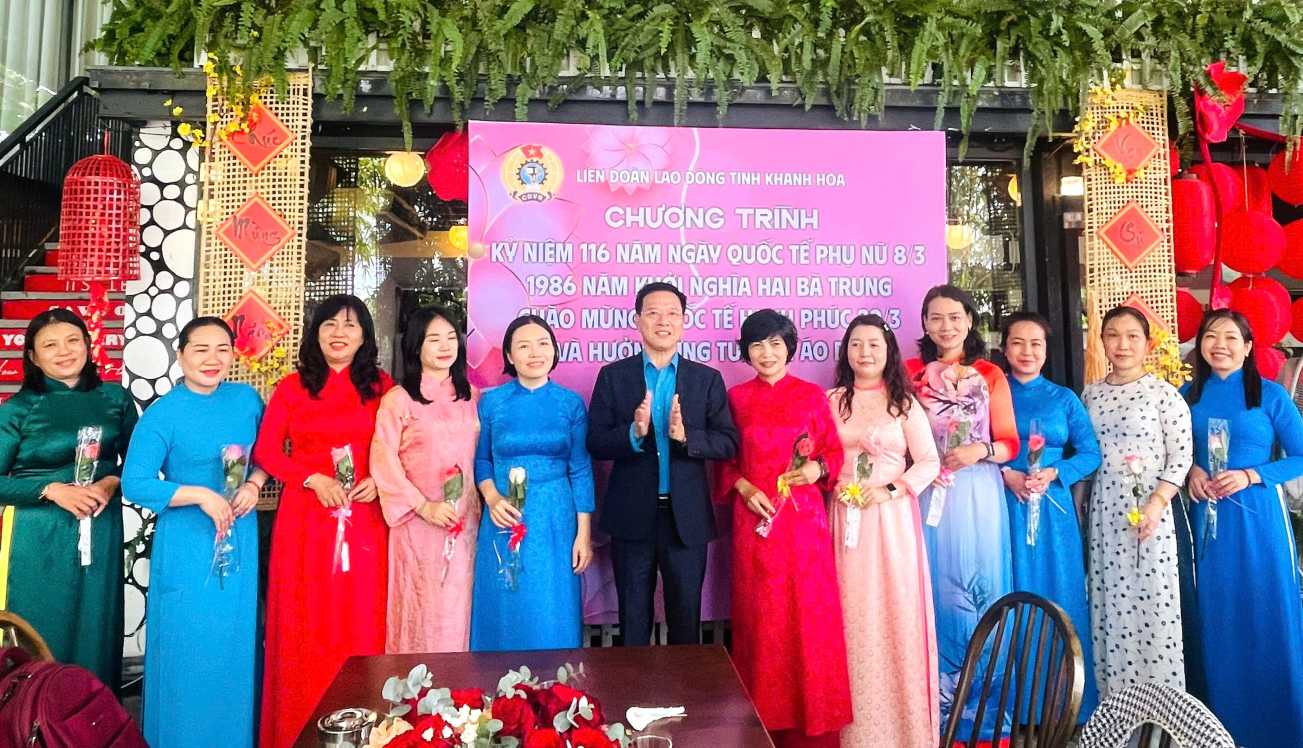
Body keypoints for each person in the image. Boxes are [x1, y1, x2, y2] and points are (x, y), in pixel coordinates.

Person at [122, 317, 267, 748]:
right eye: (200, 349)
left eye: (222, 349)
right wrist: (199, 495)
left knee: (234, 646)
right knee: (188, 650)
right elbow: (136, 482)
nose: (212, 359)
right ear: (181, 354)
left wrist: (255, 485)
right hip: (188, 544)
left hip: (239, 535)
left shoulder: (246, 400)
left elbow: (273, 452)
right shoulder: (163, 414)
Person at [256, 295, 394, 748]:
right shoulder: (293, 387)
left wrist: (378, 478)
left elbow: (398, 450)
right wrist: (311, 477)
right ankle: (299, 726)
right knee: (305, 622)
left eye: (351, 326)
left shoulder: (383, 388)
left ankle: (368, 725)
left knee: (362, 618)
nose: (339, 333)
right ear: (315, 332)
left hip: (365, 518)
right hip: (307, 521)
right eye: (330, 324)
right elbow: (268, 453)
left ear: (365, 337)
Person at [717, 309, 850, 748]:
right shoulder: (734, 399)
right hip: (754, 524)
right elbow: (722, 459)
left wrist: (816, 468)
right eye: (757, 345)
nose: (766, 353)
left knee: (809, 624)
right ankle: (760, 732)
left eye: (775, 343)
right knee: (761, 624)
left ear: (790, 348)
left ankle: (813, 731)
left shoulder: (812, 396)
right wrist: (740, 485)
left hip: (803, 527)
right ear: (746, 352)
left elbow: (833, 453)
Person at [587, 282, 738, 646]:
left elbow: (729, 442)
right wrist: (634, 433)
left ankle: (687, 700)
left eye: (672, 313)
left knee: (686, 620)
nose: (663, 321)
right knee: (633, 621)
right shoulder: (613, 376)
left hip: (685, 519)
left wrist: (688, 438)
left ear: (684, 322)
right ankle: (634, 699)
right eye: (653, 313)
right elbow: (594, 442)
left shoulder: (706, 379)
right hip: (631, 516)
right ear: (638, 320)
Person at [1182, 309, 1303, 748]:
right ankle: (1217, 728)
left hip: (1259, 518)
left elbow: (1301, 454)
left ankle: (1281, 724)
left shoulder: (1270, 396)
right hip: (1207, 517)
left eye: (1232, 338)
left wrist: (1252, 475)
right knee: (1217, 612)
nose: (1221, 345)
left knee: (1266, 605)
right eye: (1211, 336)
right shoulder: (1186, 396)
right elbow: (1170, 451)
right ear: (1200, 345)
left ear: (1248, 347)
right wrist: (1191, 470)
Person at [0, 309, 136, 690]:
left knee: (97, 628)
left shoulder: (115, 399)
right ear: (32, 356)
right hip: (38, 536)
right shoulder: (18, 409)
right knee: (43, 631)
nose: (64, 351)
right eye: (49, 345)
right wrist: (50, 489)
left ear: (88, 345)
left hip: (100, 527)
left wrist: (111, 481)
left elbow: (139, 466)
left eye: (73, 340)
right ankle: (31, 724)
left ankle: (92, 725)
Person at [905, 285, 1017, 738]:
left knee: (978, 587)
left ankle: (984, 722)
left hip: (976, 494)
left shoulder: (990, 373)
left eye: (954, 317)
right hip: (926, 490)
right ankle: (928, 715)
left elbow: (1009, 443)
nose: (945, 326)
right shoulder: (909, 374)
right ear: (925, 323)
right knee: (927, 590)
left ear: (970, 321)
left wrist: (978, 451)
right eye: (936, 318)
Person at [827, 314, 940, 748]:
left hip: (891, 524)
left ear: (888, 350)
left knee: (895, 616)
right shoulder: (832, 400)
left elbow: (928, 461)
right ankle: (854, 733)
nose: (865, 352)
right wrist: (830, 479)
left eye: (874, 344)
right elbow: (816, 454)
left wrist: (891, 489)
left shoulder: (903, 403)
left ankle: (903, 732)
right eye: (856, 344)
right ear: (846, 352)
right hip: (844, 519)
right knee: (850, 616)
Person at [1082, 306, 1191, 697]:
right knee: (1110, 606)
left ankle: (1160, 717)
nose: (1122, 344)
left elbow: (1181, 458)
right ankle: (1116, 711)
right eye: (1113, 335)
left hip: (1150, 514)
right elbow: (1085, 453)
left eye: (1132, 336)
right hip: (1104, 514)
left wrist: (1157, 503)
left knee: (1154, 608)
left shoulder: (1165, 394)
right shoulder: (1090, 393)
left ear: (1147, 344)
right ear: (1102, 341)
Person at [469, 314, 595, 650]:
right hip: (503, 515)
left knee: (551, 604)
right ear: (509, 356)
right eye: (523, 346)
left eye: (543, 344)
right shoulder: (492, 402)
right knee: (506, 600)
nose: (535, 352)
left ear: (554, 350)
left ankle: (557, 691)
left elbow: (581, 468)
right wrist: (492, 498)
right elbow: (482, 460)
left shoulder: (570, 403)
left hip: (556, 517)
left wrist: (583, 533)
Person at [1000, 312, 1101, 718]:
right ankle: (1010, 710)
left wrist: (1058, 472)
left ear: (1046, 350)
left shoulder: (1064, 398)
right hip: (1005, 506)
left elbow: (1091, 453)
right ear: (1004, 348)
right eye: (1018, 343)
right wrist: (1005, 475)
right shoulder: (991, 392)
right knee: (1009, 595)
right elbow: (972, 445)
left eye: (1035, 344)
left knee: (1060, 597)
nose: (1026, 351)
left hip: (1055, 512)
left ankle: (1066, 708)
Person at [371, 306, 480, 653]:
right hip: (418, 525)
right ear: (416, 346)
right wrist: (423, 506)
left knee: (463, 610)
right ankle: (418, 701)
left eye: (451, 337)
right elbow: (383, 460)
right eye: (434, 339)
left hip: (465, 523)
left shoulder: (473, 397)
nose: (445, 346)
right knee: (422, 611)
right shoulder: (399, 399)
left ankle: (463, 701)